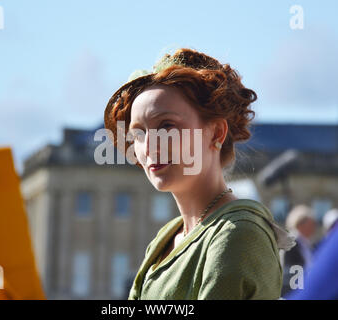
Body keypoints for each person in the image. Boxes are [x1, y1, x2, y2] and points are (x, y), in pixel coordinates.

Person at [103, 48, 295, 300]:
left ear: (216, 133)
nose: (149, 146)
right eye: (138, 133)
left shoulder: (237, 232)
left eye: (167, 125)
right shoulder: (168, 237)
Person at [281, 205, 316, 296]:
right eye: (311, 224)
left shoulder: (306, 244)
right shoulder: (291, 243)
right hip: (295, 290)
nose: (313, 228)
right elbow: (290, 271)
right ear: (301, 224)